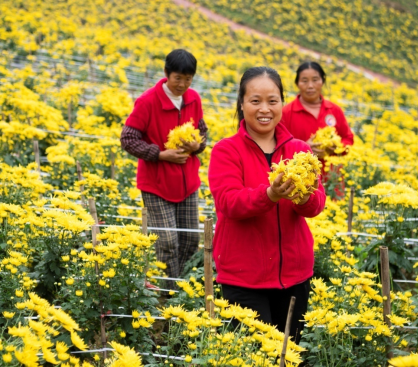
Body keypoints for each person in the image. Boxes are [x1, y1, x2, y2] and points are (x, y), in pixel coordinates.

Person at [208, 66, 326, 343]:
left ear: (283, 103)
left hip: (295, 276)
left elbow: (316, 204)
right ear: (241, 103)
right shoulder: (226, 150)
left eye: (273, 101)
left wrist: (302, 195)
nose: (265, 109)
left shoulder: (299, 149)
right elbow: (229, 202)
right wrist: (270, 195)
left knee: (289, 353)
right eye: (255, 101)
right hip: (243, 278)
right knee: (254, 358)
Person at [120, 49, 208, 291]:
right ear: (167, 74)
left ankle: (174, 285)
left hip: (188, 182)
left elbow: (203, 132)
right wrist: (159, 154)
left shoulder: (194, 99)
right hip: (156, 184)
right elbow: (128, 138)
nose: (182, 84)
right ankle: (168, 292)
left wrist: (197, 145)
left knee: (190, 239)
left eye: (188, 79)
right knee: (168, 241)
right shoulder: (148, 101)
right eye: (178, 78)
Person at [281, 61, 354, 161]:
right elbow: (278, 147)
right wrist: (303, 149)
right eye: (304, 81)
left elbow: (348, 139)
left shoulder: (334, 110)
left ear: (322, 81)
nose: (310, 86)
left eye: (315, 80)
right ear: (297, 83)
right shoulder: (286, 112)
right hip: (300, 174)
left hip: (332, 174)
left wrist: (337, 146)